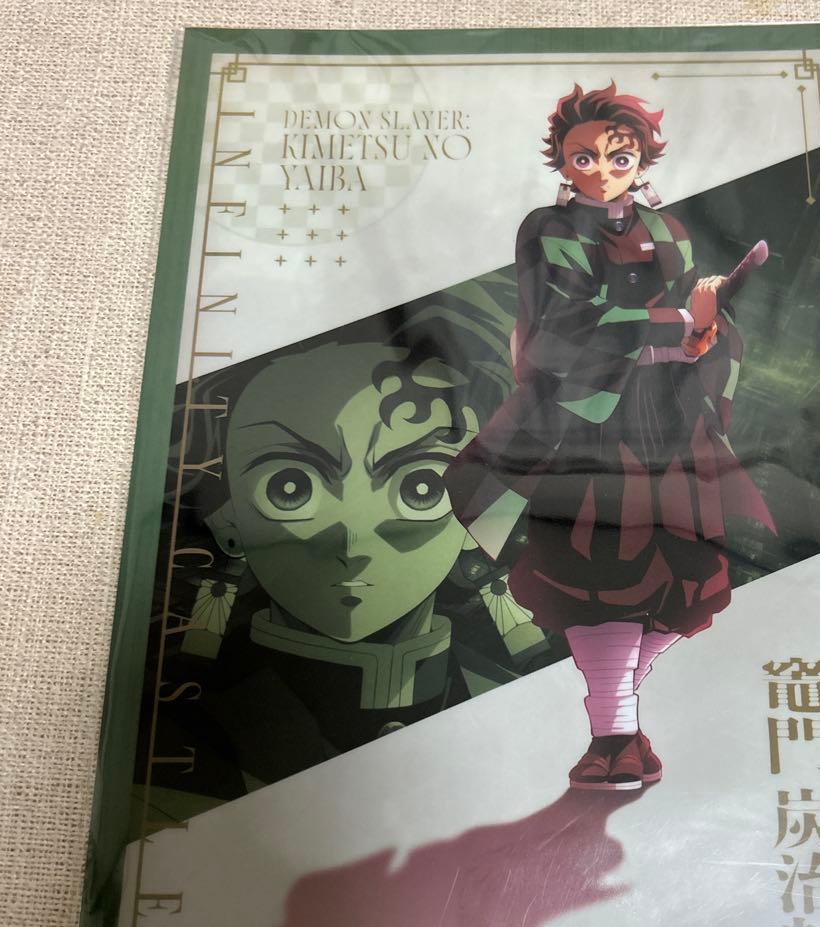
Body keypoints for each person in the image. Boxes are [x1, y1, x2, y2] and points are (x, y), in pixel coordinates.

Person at [446, 84, 773, 792]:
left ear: (642, 160)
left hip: (671, 417)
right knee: (597, 574)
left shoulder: (669, 230)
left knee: (687, 574)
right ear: (562, 161)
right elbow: (564, 325)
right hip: (584, 421)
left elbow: (695, 331)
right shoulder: (548, 227)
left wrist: (706, 324)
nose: (599, 170)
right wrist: (677, 323)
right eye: (583, 157)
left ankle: (618, 725)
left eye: (617, 157)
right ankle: (613, 735)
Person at [139, 279, 565, 819]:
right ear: (227, 518)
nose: (352, 538)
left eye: (421, 486)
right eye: (290, 487)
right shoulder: (176, 748)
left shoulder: (545, 714)